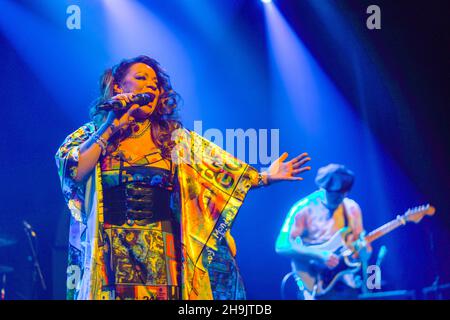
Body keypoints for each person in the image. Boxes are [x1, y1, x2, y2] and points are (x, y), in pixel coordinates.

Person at [55, 55, 311, 300]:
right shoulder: (91, 135)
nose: (151, 87)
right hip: (109, 251)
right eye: (142, 79)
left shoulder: (175, 139)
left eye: (156, 84)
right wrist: (111, 125)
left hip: (162, 254)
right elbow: (75, 171)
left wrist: (266, 176)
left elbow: (223, 172)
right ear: (119, 86)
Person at [275, 163, 370, 300]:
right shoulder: (304, 208)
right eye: (336, 193)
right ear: (323, 187)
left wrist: (363, 250)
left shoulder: (352, 208)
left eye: (344, 192)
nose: (340, 197)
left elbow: (363, 250)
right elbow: (282, 245)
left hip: (346, 282)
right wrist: (319, 255)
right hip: (314, 281)